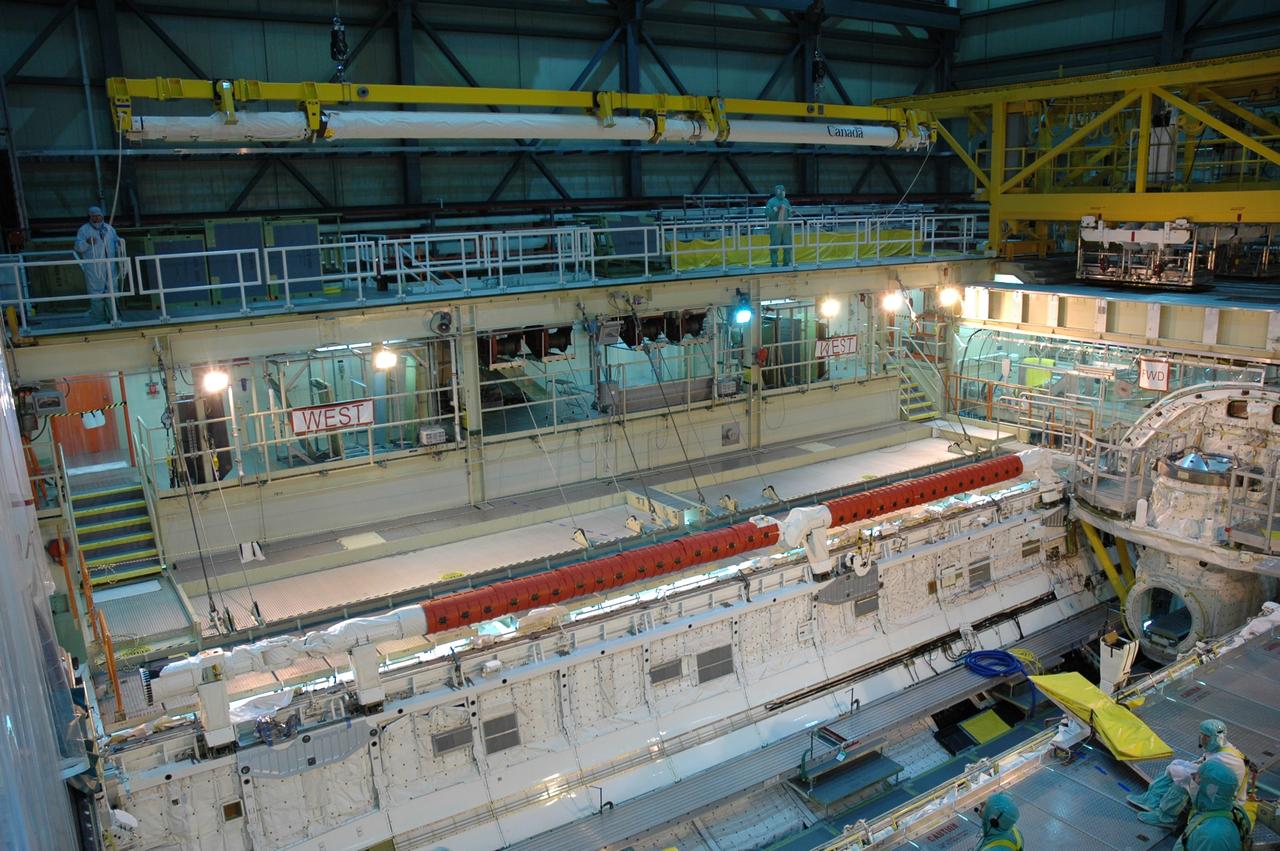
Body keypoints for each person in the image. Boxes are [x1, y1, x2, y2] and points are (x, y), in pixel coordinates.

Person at [1127, 719, 1248, 829]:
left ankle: (1165, 817)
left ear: (1213, 738)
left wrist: (1177, 771)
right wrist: (1176, 766)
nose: (1202, 739)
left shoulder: (1224, 758)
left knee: (1183, 781)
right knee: (1177, 766)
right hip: (1214, 788)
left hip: (1218, 799)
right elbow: (1202, 766)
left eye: (1205, 737)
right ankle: (1152, 799)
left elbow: (1197, 776)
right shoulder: (1222, 748)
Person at [1174, 759, 1251, 851]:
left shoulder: (1213, 836)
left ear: (1209, 791)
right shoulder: (1230, 808)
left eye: (1196, 778)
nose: (1192, 781)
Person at [74, 205, 124, 323]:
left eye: (98, 216)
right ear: (90, 217)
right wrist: (87, 243)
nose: (96, 218)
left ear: (102, 216)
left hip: (110, 267)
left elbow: (116, 242)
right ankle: (99, 320)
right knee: (96, 293)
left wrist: (120, 243)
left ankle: (115, 318)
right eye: (94, 216)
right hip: (94, 268)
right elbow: (77, 247)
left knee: (112, 291)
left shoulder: (109, 229)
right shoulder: (84, 230)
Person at [764, 184, 792, 267]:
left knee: (787, 246)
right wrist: (776, 208)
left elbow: (789, 211)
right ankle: (774, 263)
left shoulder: (786, 201)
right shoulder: (771, 201)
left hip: (786, 227)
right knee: (774, 246)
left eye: (784, 191)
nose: (783, 192)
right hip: (775, 227)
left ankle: (786, 263)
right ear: (777, 192)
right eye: (781, 191)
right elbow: (767, 213)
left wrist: (792, 212)